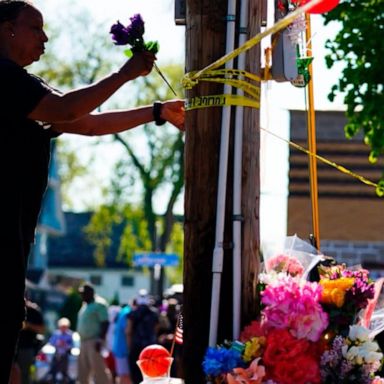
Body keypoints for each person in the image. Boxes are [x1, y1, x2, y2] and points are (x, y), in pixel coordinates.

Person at [0, 1, 185, 383]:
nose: (45, 38)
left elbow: (85, 123)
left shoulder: (20, 88)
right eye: (36, 28)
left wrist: (156, 112)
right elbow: (67, 110)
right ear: (6, 29)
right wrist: (125, 73)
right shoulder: (4, 78)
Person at [76, 283, 112, 384]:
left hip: (94, 341)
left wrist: (100, 340)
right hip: (83, 342)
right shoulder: (85, 305)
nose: (82, 296)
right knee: (83, 372)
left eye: (84, 293)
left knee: (99, 370)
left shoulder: (99, 304)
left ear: (91, 293)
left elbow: (105, 323)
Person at [126, 290, 160, 384]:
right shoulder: (154, 313)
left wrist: (129, 348)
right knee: (150, 375)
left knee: (136, 375)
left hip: (136, 347)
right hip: (150, 348)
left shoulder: (133, 313)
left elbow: (128, 331)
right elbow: (156, 330)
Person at [14, 299, 46, 384]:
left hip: (26, 347)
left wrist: (28, 326)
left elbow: (42, 330)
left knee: (25, 373)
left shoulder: (34, 311)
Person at [43, 317, 74, 383]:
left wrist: (65, 345)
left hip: (65, 355)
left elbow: (71, 345)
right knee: (53, 370)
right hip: (56, 354)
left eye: (65, 326)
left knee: (64, 372)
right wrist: (57, 343)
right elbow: (51, 342)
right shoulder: (56, 334)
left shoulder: (70, 334)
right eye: (62, 326)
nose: (63, 328)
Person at [112, 303, 133, 384]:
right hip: (123, 350)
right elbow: (127, 332)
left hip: (119, 348)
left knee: (122, 375)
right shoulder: (127, 313)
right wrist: (129, 348)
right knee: (125, 376)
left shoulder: (123, 311)